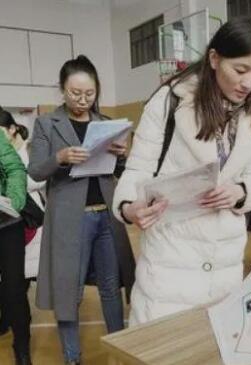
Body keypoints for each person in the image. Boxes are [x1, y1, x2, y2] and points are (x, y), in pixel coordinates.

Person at [112, 17, 251, 326]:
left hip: (225, 265)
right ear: (214, 58)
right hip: (171, 261)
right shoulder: (170, 100)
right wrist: (130, 208)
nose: (248, 83)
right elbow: (139, 167)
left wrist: (240, 192)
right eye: (240, 70)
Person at [28, 55, 135, 364]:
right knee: (68, 292)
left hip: (106, 215)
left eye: (89, 94)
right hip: (68, 221)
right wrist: (60, 157)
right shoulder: (47, 123)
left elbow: (118, 170)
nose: (83, 100)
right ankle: (72, 357)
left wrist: (122, 155)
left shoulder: (105, 124)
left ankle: (119, 349)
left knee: (111, 286)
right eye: (75, 93)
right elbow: (35, 171)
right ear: (63, 90)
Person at [0, 111, 45, 279]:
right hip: (7, 215)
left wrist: (13, 185)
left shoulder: (31, 149)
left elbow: (39, 179)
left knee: (29, 270)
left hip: (31, 215)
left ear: (12, 129)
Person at [0, 124, 31, 364]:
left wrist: (14, 200)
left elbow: (15, 169)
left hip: (7, 224)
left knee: (14, 288)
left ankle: (22, 347)